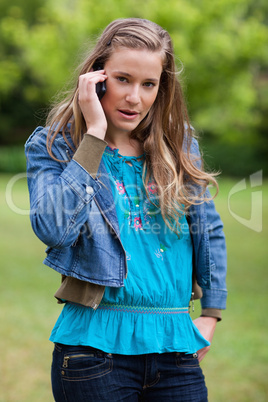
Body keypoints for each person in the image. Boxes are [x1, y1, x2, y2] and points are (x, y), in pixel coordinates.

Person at [25, 18, 227, 402]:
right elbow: (53, 228)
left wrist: (211, 311)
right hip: (93, 354)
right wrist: (94, 136)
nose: (135, 97)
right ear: (96, 78)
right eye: (123, 79)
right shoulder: (54, 146)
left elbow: (208, 229)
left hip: (176, 350)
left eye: (148, 84)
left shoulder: (178, 145)